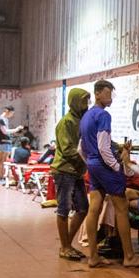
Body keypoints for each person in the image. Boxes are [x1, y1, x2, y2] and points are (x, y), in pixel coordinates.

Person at [78, 80, 139, 268]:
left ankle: (93, 256)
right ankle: (129, 257)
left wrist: (91, 163)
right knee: (121, 208)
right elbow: (103, 147)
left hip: (93, 165)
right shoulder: (103, 115)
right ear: (97, 94)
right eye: (107, 92)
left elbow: (81, 148)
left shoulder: (86, 116)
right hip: (105, 166)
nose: (110, 97)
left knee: (94, 208)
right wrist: (115, 166)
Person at [52, 88, 90, 261]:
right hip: (65, 170)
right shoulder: (66, 122)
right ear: (74, 102)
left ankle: (66, 244)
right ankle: (65, 246)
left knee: (83, 208)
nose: (86, 105)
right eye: (83, 101)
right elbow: (68, 150)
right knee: (64, 209)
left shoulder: (83, 121)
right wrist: (90, 160)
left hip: (77, 171)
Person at [0, 106, 23, 182]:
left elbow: (6, 132)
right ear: (7, 111)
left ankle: (2, 175)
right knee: (1, 160)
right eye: (12, 113)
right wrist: (16, 129)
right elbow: (5, 131)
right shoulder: (1, 119)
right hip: (3, 141)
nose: (12, 115)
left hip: (7, 140)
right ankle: (0, 176)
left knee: (4, 160)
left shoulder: (5, 119)